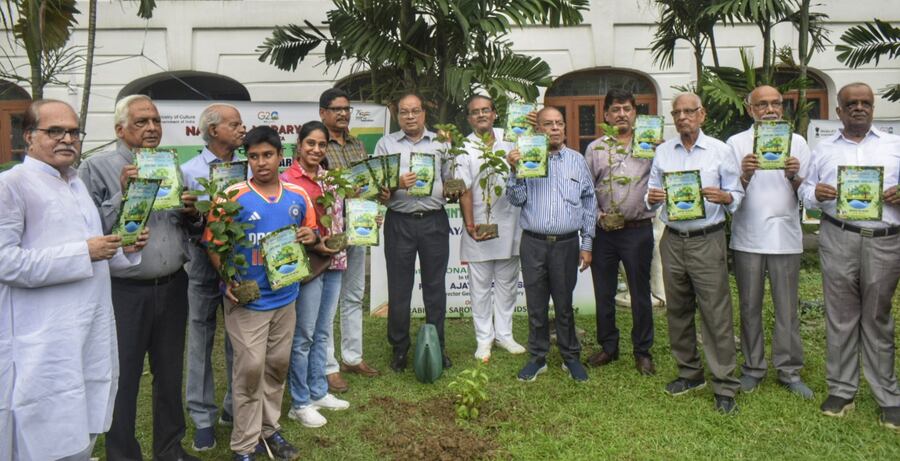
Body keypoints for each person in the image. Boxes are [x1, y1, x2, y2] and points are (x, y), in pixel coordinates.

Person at [0, 99, 147, 461]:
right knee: (41, 433)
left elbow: (92, 258)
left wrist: (122, 249)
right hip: (43, 343)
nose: (67, 138)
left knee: (84, 423)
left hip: (88, 333)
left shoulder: (76, 183)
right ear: (29, 136)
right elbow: (6, 263)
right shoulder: (12, 185)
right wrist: (85, 252)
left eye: (73, 131)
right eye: (55, 131)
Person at [79, 95, 201, 460]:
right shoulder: (96, 167)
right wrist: (122, 191)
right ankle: (122, 453)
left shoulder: (171, 167)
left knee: (169, 372)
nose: (152, 128)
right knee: (124, 375)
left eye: (156, 121)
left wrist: (191, 214)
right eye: (142, 122)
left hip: (173, 284)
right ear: (120, 129)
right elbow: (88, 231)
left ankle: (169, 449)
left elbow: (184, 227)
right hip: (124, 291)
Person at [205, 126, 317, 460]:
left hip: (286, 297)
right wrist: (229, 282)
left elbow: (309, 232)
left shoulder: (298, 195)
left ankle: (270, 430)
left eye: (267, 155)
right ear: (247, 158)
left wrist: (310, 237)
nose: (261, 162)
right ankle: (245, 444)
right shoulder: (231, 197)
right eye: (253, 156)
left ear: (279, 155)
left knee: (277, 365)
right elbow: (214, 244)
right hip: (249, 300)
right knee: (250, 369)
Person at [800, 82, 900, 429]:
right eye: (851, 104)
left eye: (866, 103)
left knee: (877, 317)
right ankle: (842, 390)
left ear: (873, 109)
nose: (859, 108)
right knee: (840, 316)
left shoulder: (895, 146)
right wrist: (816, 192)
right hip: (838, 237)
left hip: (884, 241)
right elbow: (804, 189)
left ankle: (888, 396)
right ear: (838, 111)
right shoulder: (824, 149)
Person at [646, 92, 743, 414]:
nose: (683, 117)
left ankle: (724, 384)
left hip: (706, 239)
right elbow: (650, 194)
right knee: (678, 309)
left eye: (690, 111)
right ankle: (689, 374)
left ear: (702, 115)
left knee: (715, 313)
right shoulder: (663, 152)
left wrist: (726, 198)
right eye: (678, 113)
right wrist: (654, 197)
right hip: (673, 239)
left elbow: (737, 191)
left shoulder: (720, 150)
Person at [726, 85, 813, 399]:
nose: (771, 109)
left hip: (785, 237)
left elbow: (810, 194)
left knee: (787, 309)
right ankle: (753, 368)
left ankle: (789, 371)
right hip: (748, 237)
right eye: (762, 104)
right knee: (749, 307)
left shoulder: (799, 142)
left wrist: (795, 176)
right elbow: (727, 194)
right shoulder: (736, 144)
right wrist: (744, 175)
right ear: (751, 109)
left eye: (776, 103)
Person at [506, 106, 597, 382]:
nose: (555, 128)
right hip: (533, 244)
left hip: (567, 244)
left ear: (564, 128)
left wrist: (587, 244)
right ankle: (537, 357)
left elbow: (589, 202)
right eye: (548, 124)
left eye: (559, 123)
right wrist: (515, 170)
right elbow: (515, 200)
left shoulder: (577, 161)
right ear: (539, 129)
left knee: (564, 303)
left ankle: (571, 358)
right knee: (535, 304)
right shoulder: (527, 158)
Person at [373, 93, 460, 372]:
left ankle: (438, 345)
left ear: (424, 113)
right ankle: (399, 349)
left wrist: (453, 189)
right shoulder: (386, 144)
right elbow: (378, 188)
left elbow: (450, 179)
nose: (410, 116)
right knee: (400, 289)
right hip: (400, 222)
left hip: (434, 221)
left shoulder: (441, 142)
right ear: (398, 116)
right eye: (404, 112)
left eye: (415, 111)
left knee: (435, 287)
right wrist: (395, 183)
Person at [180, 103, 246, 451]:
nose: (241, 128)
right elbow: (181, 222)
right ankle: (202, 418)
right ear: (213, 130)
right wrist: (193, 217)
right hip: (203, 264)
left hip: (241, 264)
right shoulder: (188, 171)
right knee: (200, 338)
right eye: (234, 124)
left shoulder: (249, 169)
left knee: (239, 339)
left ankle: (234, 407)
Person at [282, 121, 351, 428]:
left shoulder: (330, 179)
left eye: (321, 145)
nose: (316, 149)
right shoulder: (288, 180)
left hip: (333, 259)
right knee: (303, 336)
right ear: (298, 145)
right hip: (308, 264)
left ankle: (318, 391)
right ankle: (299, 401)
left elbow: (338, 217)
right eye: (310, 143)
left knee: (323, 331)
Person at [584, 88, 656, 375]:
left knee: (640, 293)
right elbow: (587, 191)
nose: (622, 114)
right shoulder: (595, 148)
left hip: (638, 230)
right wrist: (599, 216)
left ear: (635, 113)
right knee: (604, 292)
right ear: (606, 115)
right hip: (604, 233)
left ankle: (643, 351)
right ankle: (609, 346)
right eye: (615, 109)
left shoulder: (650, 146)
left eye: (627, 108)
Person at [318, 88, 380, 393]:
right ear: (323, 113)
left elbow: (366, 185)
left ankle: (352, 357)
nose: (343, 114)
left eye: (347, 109)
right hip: (333, 233)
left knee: (354, 294)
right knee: (328, 301)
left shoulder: (357, 145)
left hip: (360, 228)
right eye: (336, 109)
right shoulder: (317, 145)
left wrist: (376, 204)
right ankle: (329, 366)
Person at [457, 95, 525, 361]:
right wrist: (469, 223)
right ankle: (484, 338)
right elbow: (464, 189)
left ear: (495, 114)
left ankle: (505, 335)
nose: (481, 115)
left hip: (510, 222)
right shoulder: (465, 147)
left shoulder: (509, 139)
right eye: (475, 112)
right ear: (469, 118)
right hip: (479, 227)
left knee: (508, 285)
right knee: (480, 286)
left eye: (486, 110)